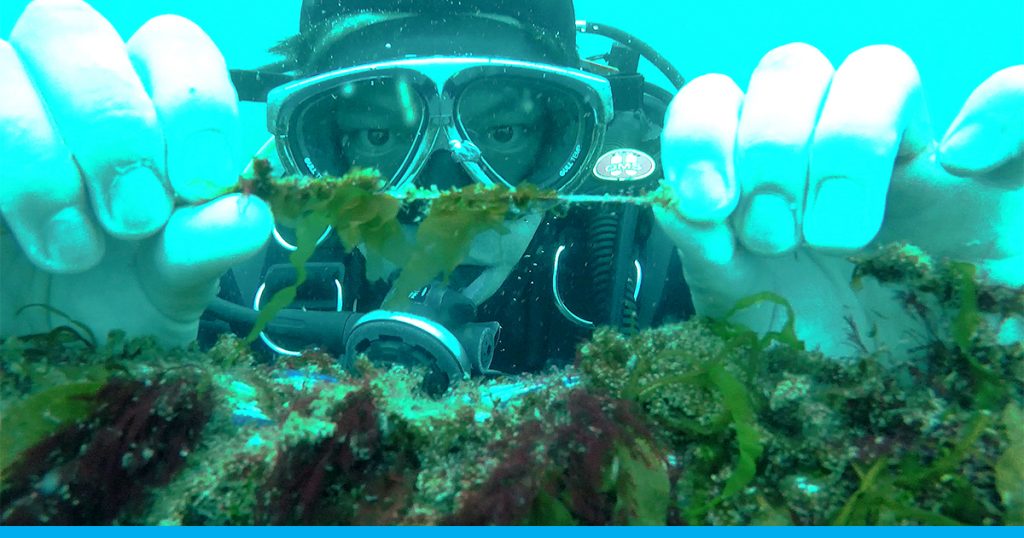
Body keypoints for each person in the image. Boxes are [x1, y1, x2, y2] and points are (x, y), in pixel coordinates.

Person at [1, 0, 1020, 381]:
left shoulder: (693, 270)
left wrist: (888, 373)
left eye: (505, 130)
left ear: (590, 131)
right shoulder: (208, 284)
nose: (448, 190)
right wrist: (47, 366)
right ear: (300, 142)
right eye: (367, 134)